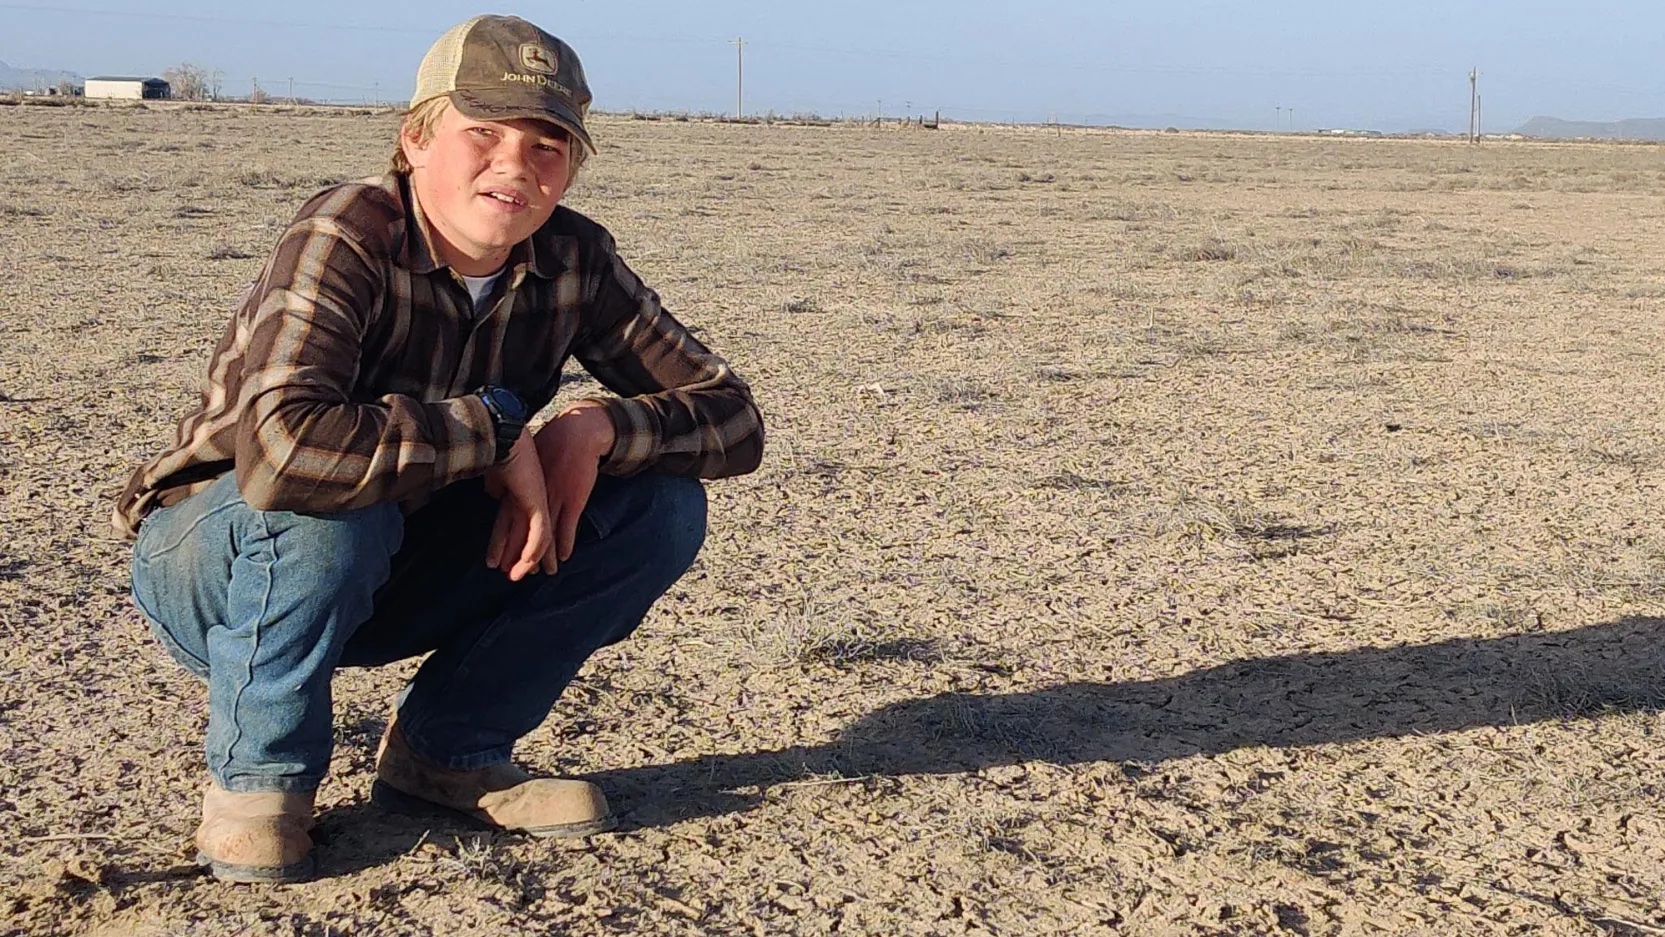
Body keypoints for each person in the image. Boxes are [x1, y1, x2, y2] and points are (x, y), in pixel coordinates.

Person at [111, 14, 764, 884]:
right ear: (415, 140)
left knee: (660, 506)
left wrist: (593, 427)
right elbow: (282, 454)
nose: (515, 166)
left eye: (547, 146)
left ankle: (446, 754)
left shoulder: (574, 258)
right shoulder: (348, 231)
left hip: (394, 567)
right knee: (329, 502)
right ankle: (260, 782)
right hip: (221, 570)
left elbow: (734, 418)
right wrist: (492, 430)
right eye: (483, 133)